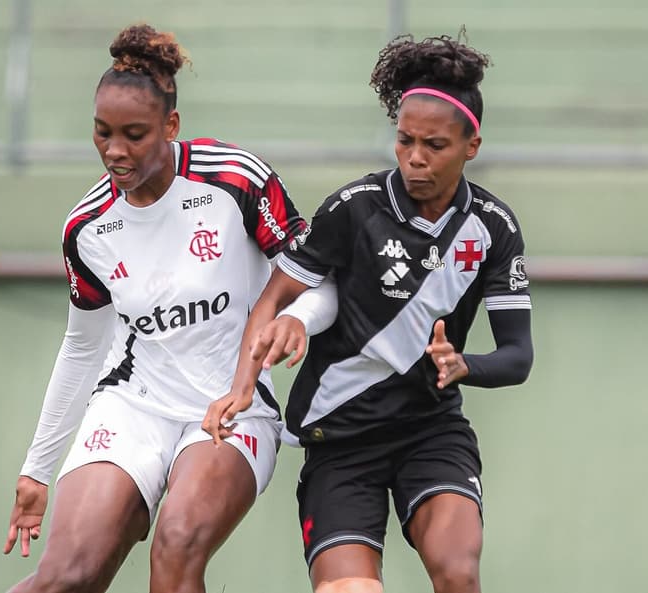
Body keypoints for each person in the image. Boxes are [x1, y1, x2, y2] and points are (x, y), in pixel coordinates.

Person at [2, 23, 330, 593]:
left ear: (171, 126)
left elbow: (316, 276)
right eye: (102, 134)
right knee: (64, 577)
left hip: (232, 408)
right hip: (132, 406)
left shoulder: (235, 180)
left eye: (133, 134)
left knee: (176, 546)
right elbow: (83, 346)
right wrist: (36, 469)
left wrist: (295, 320)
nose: (114, 151)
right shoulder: (87, 229)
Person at [203, 33, 534, 593]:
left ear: (471, 145)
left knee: (457, 573)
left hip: (430, 430)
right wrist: (243, 385)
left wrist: (464, 366)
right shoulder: (353, 208)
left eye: (434, 144)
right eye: (405, 141)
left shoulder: (494, 228)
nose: (415, 158)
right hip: (341, 439)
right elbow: (274, 299)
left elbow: (518, 356)